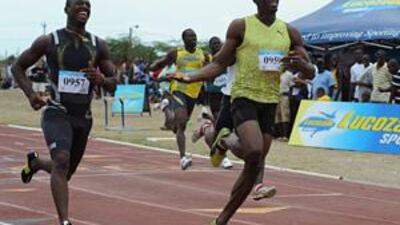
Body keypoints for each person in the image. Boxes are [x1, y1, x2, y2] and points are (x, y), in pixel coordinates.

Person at [173, 0, 315, 224]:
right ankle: (226, 138)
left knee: (254, 163)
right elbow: (219, 63)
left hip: (269, 101)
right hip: (243, 97)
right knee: (254, 151)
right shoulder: (241, 26)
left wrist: (302, 66)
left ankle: (221, 219)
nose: (273, 1)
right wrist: (191, 76)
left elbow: (311, 71)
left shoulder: (289, 32)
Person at [12, 1, 117, 224]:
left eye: (88, 5)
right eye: (78, 4)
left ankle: (36, 164)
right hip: (56, 112)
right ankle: (64, 221)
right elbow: (17, 67)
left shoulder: (99, 45)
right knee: (60, 160)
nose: (84, 8)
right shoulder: (49, 41)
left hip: (83, 117)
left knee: (66, 170)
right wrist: (31, 94)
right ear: (66, 9)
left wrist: (102, 79)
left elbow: (114, 83)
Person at [147, 28, 208, 170]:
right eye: (190, 37)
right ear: (184, 39)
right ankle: (183, 158)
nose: (194, 39)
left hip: (194, 93)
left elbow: (213, 64)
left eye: (195, 36)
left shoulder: (202, 54)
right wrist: (153, 67)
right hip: (178, 89)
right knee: (181, 122)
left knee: (182, 124)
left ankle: (170, 117)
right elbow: (161, 62)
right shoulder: (177, 53)